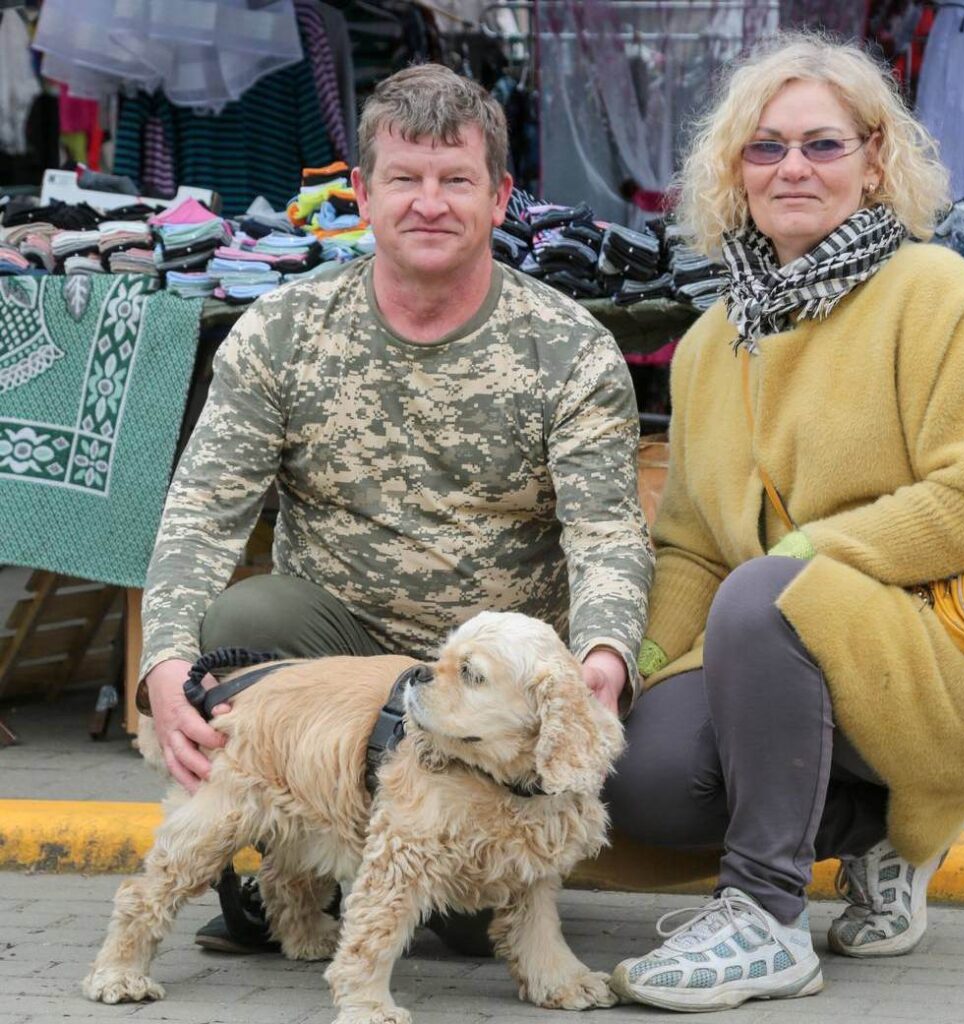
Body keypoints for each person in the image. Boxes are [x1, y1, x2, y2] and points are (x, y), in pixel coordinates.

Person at [136, 64, 652, 955]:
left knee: (456, 930)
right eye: (404, 180)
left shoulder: (570, 347)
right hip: (332, 659)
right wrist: (165, 662)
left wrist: (605, 654)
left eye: (456, 180)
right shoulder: (283, 331)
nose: (430, 203)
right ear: (363, 198)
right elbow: (200, 514)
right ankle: (268, 867)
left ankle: (392, 878)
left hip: (483, 687)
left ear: (498, 198)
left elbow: (607, 533)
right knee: (241, 618)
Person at [604, 32, 964, 1012]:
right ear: (733, 171)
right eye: (765, 147)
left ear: (873, 159)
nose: (792, 168)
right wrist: (634, 658)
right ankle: (886, 837)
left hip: (953, 655)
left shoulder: (934, 292)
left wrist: (808, 555)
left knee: (768, 589)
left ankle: (765, 919)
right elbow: (688, 538)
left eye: (822, 144)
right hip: (777, 647)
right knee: (639, 775)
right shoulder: (707, 341)